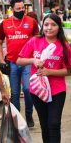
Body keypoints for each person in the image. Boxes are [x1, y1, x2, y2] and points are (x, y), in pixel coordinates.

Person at [16, 13, 71, 143]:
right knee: (44, 124)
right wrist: (33, 60)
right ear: (42, 26)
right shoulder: (34, 41)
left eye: (53, 25)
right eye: (46, 24)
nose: (49, 28)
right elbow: (19, 60)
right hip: (37, 90)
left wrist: (49, 71)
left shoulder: (64, 45)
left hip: (57, 91)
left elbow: (69, 70)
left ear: (59, 27)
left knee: (54, 123)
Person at [0, 0, 39, 127]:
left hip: (27, 62)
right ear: (12, 9)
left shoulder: (32, 21)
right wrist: (2, 60)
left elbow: (38, 40)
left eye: (23, 8)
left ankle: (29, 115)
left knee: (27, 89)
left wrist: (36, 58)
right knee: (14, 92)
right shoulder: (5, 23)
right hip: (12, 62)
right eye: (18, 9)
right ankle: (16, 118)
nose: (21, 11)